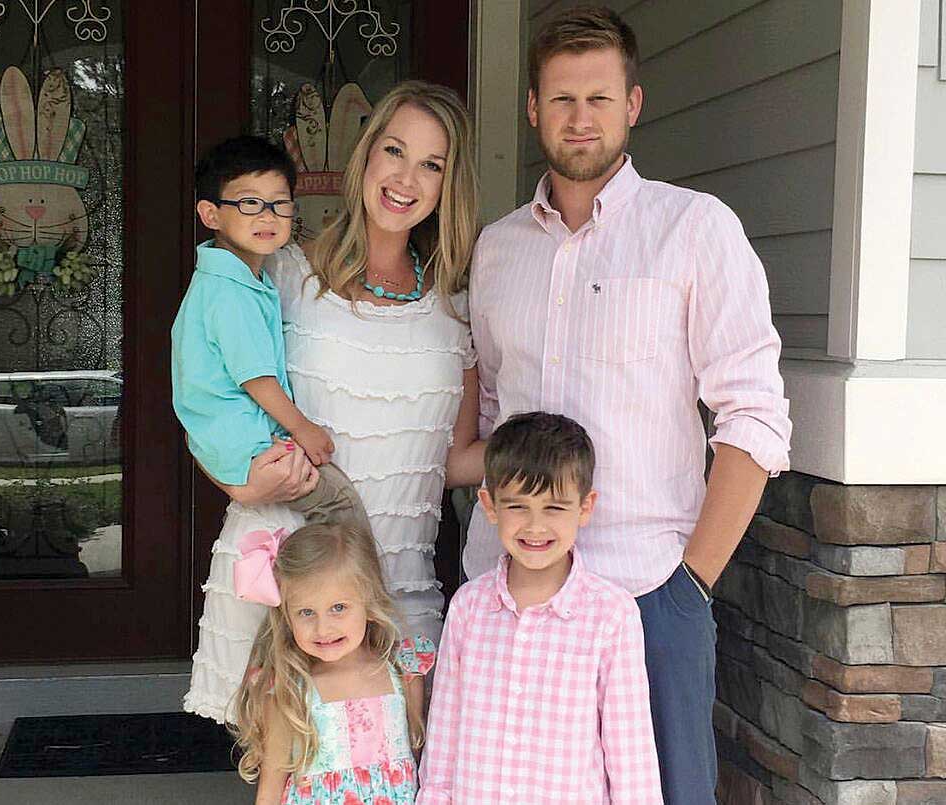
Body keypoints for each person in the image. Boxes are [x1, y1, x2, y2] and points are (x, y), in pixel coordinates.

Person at [462, 8, 792, 803]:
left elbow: (755, 416)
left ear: (633, 105)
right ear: (533, 108)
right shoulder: (498, 249)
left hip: (646, 588)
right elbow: (494, 415)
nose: (581, 119)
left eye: (599, 99)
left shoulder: (695, 231)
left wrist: (691, 583)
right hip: (511, 595)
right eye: (563, 99)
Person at [187, 81, 483, 723]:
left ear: (448, 183)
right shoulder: (286, 273)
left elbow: (455, 461)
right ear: (366, 155)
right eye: (395, 151)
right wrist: (236, 483)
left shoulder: (457, 305)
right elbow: (204, 394)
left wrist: (561, 451)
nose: (406, 179)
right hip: (290, 585)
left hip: (397, 592)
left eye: (432, 164)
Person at [175, 137, 370, 724]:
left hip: (229, 441)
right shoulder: (229, 289)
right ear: (211, 214)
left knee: (309, 523)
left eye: (279, 204)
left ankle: (296, 618)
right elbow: (257, 378)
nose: (268, 217)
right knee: (343, 511)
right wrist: (305, 429)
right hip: (249, 447)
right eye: (249, 203)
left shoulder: (239, 277)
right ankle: (348, 616)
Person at [418, 412, 662, 804]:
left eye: (554, 508)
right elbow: (443, 742)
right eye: (518, 507)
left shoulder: (611, 616)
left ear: (585, 507)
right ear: (490, 505)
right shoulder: (468, 609)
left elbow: (631, 759)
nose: (535, 526)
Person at [232, 522, 436, 805]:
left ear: (368, 599)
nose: (323, 628)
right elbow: (272, 781)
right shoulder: (289, 688)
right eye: (306, 612)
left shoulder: (404, 672)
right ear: (286, 615)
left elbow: (417, 761)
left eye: (338, 608)